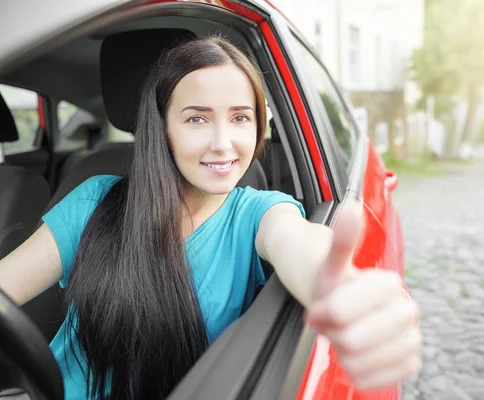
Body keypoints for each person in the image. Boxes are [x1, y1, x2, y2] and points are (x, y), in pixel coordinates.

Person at [0, 37, 422, 400]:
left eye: (240, 117)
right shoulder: (96, 200)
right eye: (197, 118)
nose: (223, 143)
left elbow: (299, 244)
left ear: (258, 127)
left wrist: (345, 290)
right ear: (163, 127)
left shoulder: (260, 213)